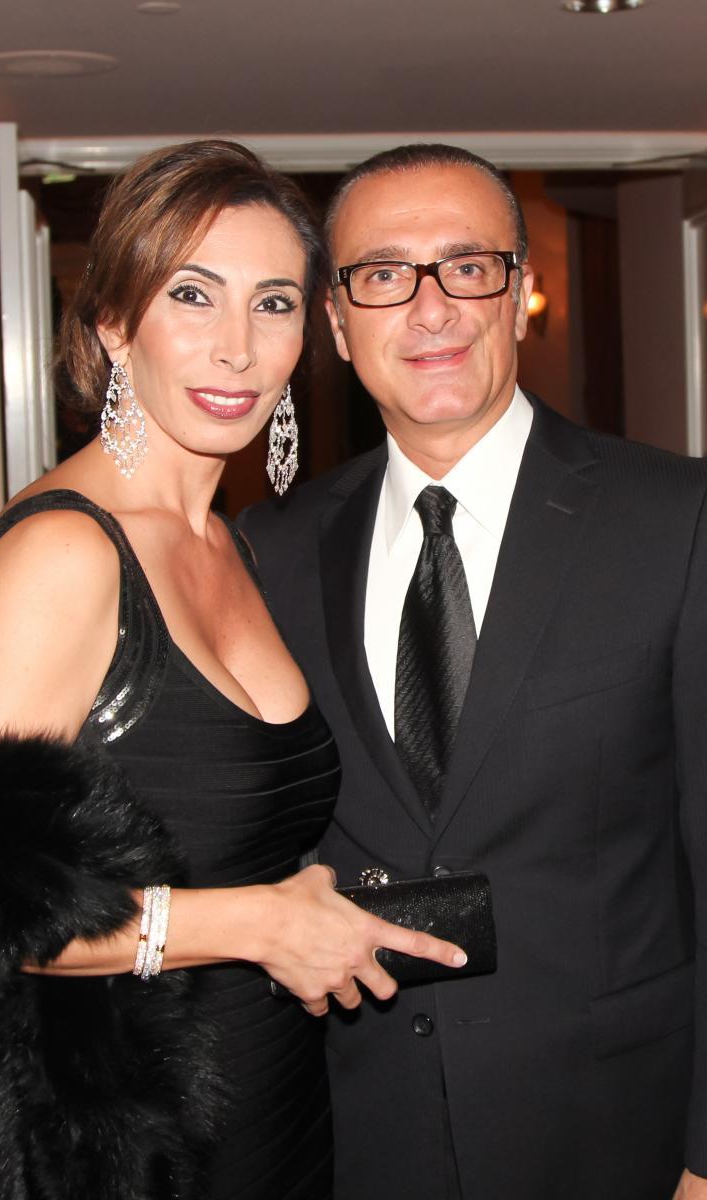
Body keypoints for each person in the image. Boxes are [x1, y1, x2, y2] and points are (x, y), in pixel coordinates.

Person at [0, 140, 467, 1200]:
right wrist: (257, 923)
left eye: (272, 304)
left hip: (279, 1102)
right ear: (114, 323)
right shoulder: (66, 551)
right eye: (192, 295)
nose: (237, 349)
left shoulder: (237, 544)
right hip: (122, 1144)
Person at [239, 142, 707, 1200]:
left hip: (616, 1135)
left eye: (466, 266)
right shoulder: (272, 547)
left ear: (520, 292)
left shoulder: (675, 521)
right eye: (383, 274)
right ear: (336, 323)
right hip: (358, 1134)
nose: (430, 308)